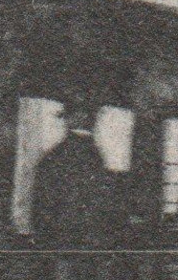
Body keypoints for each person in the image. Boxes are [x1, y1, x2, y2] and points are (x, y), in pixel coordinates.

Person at [29, 99, 129, 249]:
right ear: (88, 118)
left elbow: (41, 203)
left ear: (70, 120)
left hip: (59, 240)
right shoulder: (97, 157)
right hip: (93, 243)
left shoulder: (53, 156)